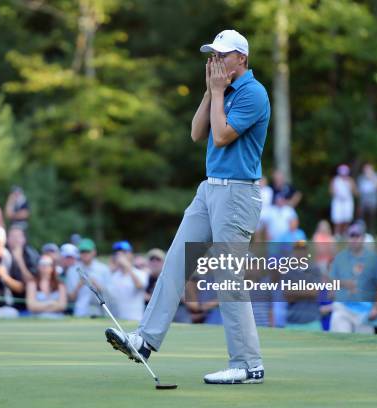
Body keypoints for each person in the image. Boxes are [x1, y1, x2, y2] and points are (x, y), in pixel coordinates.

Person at [105, 29, 269, 385]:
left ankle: (247, 363)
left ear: (241, 58)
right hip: (209, 190)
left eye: (222, 55)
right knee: (176, 260)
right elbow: (197, 133)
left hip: (238, 194)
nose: (215, 61)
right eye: (213, 54)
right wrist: (211, 93)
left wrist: (217, 92)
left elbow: (223, 135)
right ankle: (145, 341)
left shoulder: (254, 93)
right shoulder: (220, 90)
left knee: (228, 276)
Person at [328, 222, 377, 334]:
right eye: (352, 236)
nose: (354, 239)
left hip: (365, 311)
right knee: (341, 342)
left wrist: (376, 307)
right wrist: (342, 285)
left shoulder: (373, 259)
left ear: (363, 237)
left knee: (364, 347)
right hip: (343, 308)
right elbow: (331, 282)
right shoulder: (340, 258)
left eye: (357, 236)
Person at [0, 226, 25, 318]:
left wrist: (5, 278)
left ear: (3, 242)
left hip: (7, 307)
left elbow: (21, 288)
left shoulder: (10, 259)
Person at [66, 238, 110, 317]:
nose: (85, 254)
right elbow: (71, 298)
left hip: (101, 312)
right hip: (80, 312)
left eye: (87, 251)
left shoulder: (104, 269)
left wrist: (96, 284)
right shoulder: (72, 270)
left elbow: (109, 295)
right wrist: (79, 285)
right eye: (82, 251)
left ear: (94, 252)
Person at [284, 241, 322, 331]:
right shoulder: (288, 271)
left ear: (306, 251)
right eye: (297, 250)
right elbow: (287, 296)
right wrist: (306, 289)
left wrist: (295, 289)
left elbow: (314, 292)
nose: (300, 252)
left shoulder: (314, 269)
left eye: (302, 249)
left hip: (312, 321)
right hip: (292, 323)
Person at [107, 243, 149, 322]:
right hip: (118, 320)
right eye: (117, 253)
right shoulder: (114, 276)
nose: (120, 256)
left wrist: (127, 266)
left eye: (124, 252)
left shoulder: (140, 273)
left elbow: (139, 286)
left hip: (136, 319)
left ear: (130, 254)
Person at [26, 254, 67, 319]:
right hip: (37, 319)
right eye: (42, 263)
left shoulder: (60, 284)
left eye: (48, 263)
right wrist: (50, 304)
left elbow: (62, 305)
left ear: (52, 267)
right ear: (38, 266)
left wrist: (39, 306)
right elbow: (31, 306)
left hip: (57, 319)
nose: (44, 266)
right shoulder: (32, 283)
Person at [330, 164, 356, 238]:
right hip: (338, 201)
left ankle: (345, 233)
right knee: (337, 218)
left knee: (347, 218)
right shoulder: (335, 180)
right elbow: (332, 192)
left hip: (347, 201)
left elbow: (355, 192)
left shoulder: (350, 180)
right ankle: (337, 234)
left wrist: (351, 184)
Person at [356, 164, 377, 234]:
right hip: (363, 202)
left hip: (373, 201)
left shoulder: (376, 176)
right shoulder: (361, 178)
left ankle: (372, 232)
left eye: (369, 169)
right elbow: (358, 191)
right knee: (362, 218)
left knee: (372, 218)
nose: (367, 171)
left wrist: (371, 177)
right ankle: (362, 232)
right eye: (366, 169)